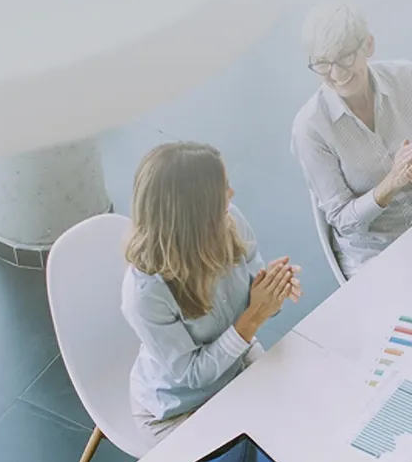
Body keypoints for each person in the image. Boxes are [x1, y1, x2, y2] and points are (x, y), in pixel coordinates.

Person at [122, 142, 301, 438]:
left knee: (304, 419)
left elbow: (257, 301)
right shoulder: (145, 294)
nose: (231, 194)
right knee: (269, 449)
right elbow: (193, 374)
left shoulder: (230, 222)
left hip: (236, 366)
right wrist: (255, 316)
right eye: (222, 189)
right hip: (179, 409)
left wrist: (274, 288)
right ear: (195, 211)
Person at [290, 3, 412, 278]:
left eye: (345, 56)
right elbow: (344, 222)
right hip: (376, 255)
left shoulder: (406, 78)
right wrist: (391, 183)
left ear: (368, 45)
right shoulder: (310, 128)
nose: (337, 73)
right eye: (323, 63)